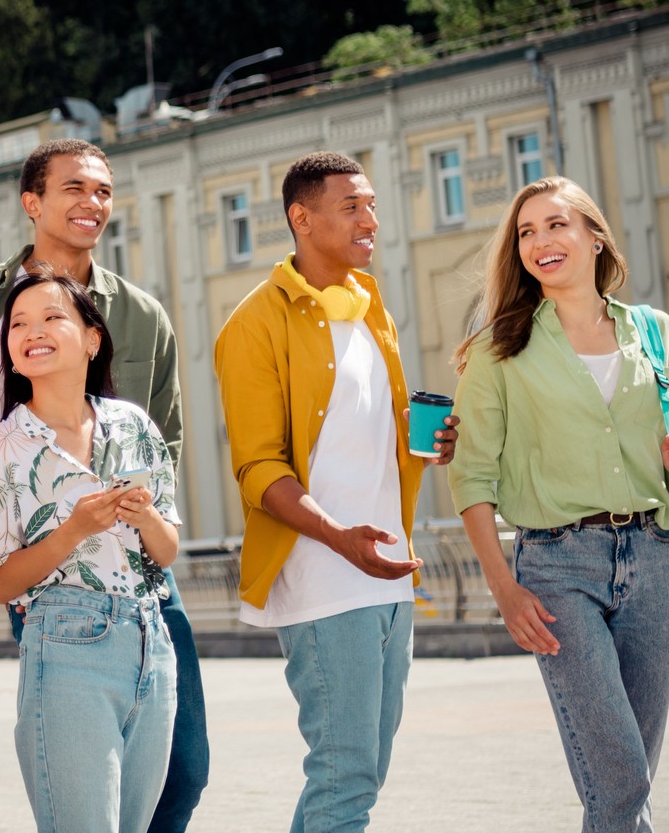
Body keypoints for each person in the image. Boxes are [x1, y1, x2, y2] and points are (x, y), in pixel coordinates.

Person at [0, 138, 206, 832]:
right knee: (81, 773)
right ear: (33, 202)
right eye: (74, 189)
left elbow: (165, 433)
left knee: (185, 768)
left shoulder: (140, 313)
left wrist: (147, 514)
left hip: (141, 564)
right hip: (40, 563)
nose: (93, 203)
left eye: (104, 192)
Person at [449, 176, 669, 833]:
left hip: (658, 561)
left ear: (595, 236)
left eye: (556, 224)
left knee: (626, 777)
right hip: (557, 571)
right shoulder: (497, 350)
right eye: (526, 232)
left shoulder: (654, 331)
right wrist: (504, 589)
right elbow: (471, 477)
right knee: (620, 774)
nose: (541, 241)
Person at [214, 150, 457, 833]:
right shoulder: (254, 323)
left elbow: (367, 436)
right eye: (352, 206)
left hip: (388, 570)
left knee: (365, 769)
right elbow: (259, 468)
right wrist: (338, 538)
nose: (371, 219)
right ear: (302, 217)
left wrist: (430, 443)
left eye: (372, 204)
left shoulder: (369, 306)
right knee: (344, 773)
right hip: (324, 572)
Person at [0, 266, 181, 833]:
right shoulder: (3, 449)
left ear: (92, 337)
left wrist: (147, 515)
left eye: (52, 317)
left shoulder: (132, 424)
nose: (31, 331)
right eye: (18, 325)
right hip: (66, 643)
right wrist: (73, 531)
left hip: (152, 642)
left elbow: (168, 549)